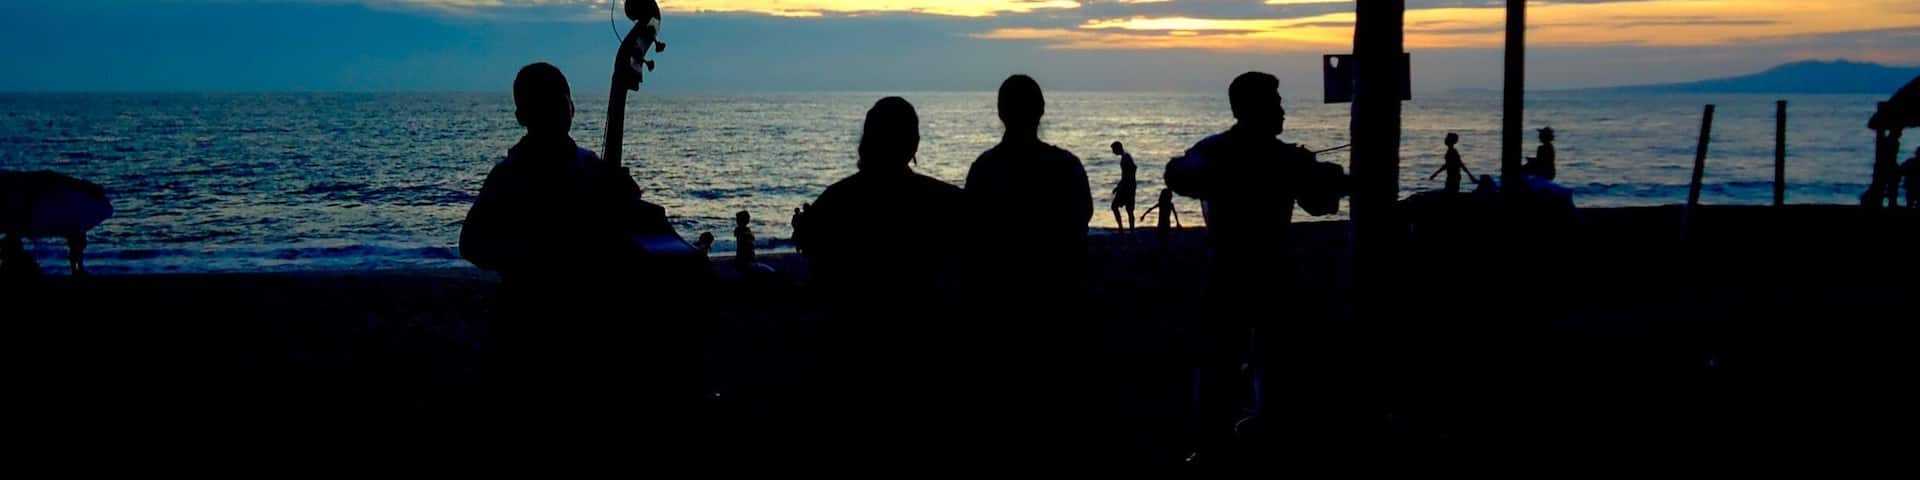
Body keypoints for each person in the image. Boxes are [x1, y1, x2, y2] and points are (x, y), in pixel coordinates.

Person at [458, 63, 669, 419]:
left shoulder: (593, 169)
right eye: (545, 106)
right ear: (522, 116)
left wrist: (627, 200)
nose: (556, 114)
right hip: (527, 328)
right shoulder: (508, 176)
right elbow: (473, 243)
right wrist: (539, 254)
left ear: (571, 108)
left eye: (559, 104)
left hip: (588, 333)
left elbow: (631, 228)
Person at [1164, 71, 1328, 462]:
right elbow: (1178, 174)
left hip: (1247, 272)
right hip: (1247, 271)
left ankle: (1239, 436)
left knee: (1252, 361)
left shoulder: (1273, 156)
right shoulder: (1228, 153)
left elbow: (1319, 202)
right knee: (1237, 359)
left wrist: (1308, 170)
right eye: (1275, 102)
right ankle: (1223, 440)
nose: (1283, 110)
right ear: (1251, 108)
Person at [793, 97, 967, 462]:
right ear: (914, 144)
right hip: (928, 360)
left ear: (866, 139)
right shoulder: (948, 204)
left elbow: (820, 277)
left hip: (851, 360)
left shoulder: (834, 202)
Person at [961, 74, 1095, 463]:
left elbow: (973, 241)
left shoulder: (985, 169)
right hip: (1057, 307)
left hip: (999, 311)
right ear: (1041, 111)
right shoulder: (1066, 167)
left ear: (1001, 113)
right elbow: (1078, 227)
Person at [1111, 141, 1138, 232]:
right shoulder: (1126, 157)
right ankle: (1129, 229)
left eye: (1113, 149)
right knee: (1128, 209)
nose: (1113, 152)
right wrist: (1119, 186)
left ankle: (1123, 228)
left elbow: (1128, 174)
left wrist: (1120, 186)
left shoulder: (1126, 158)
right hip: (1128, 185)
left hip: (1127, 187)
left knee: (1118, 207)